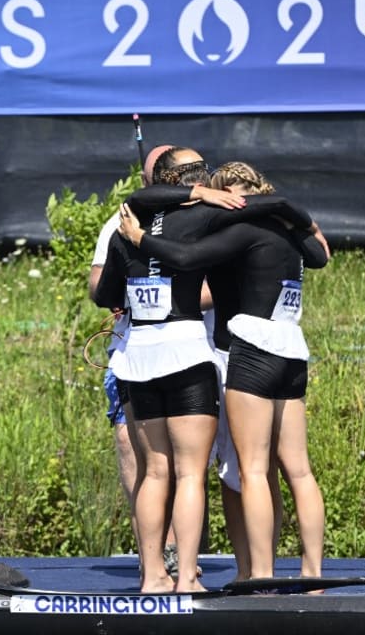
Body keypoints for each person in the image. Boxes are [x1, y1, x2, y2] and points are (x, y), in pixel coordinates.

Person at [119, 159, 328, 580]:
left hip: (250, 352)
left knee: (250, 471)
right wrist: (295, 215)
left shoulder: (241, 231)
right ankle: (312, 574)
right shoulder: (290, 235)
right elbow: (320, 254)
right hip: (291, 349)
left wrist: (140, 239)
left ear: (236, 197)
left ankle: (260, 577)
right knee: (298, 469)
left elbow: (184, 256)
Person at [94, 147, 223, 593]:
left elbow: (103, 293)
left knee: (154, 472)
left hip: (138, 356)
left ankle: (153, 577)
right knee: (189, 473)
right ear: (194, 182)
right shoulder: (202, 217)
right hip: (185, 351)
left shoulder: (121, 226)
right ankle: (187, 577)